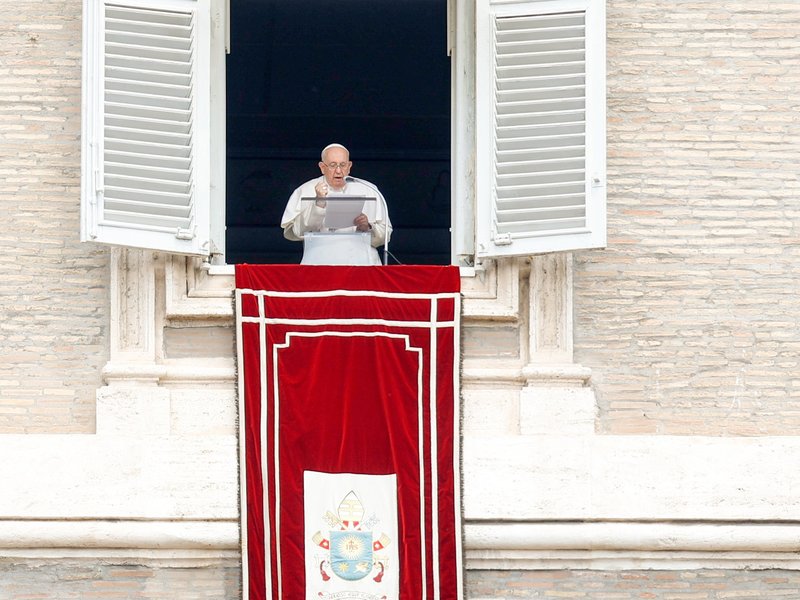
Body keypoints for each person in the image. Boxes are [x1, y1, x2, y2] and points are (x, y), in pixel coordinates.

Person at [281, 143, 392, 265]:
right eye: (333, 165)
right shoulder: (305, 190)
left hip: (362, 264)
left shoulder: (369, 189)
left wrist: (367, 227)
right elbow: (295, 233)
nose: (338, 171)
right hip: (320, 264)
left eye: (343, 165)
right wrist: (318, 204)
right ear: (322, 167)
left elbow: (385, 236)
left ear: (349, 166)